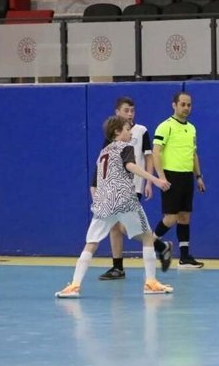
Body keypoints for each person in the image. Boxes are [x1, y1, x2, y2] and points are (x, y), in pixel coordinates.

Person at [56, 116, 175, 299]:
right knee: (147, 237)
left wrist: (98, 201)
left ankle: (74, 285)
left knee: (91, 243)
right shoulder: (125, 147)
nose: (130, 133)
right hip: (124, 199)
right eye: (127, 129)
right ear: (117, 132)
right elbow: (130, 166)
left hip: (104, 202)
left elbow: (94, 184)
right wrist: (155, 180)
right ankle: (151, 283)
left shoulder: (103, 153)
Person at [96, 96, 162, 281]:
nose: (130, 114)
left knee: (124, 226)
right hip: (114, 188)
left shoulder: (141, 131)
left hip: (133, 186)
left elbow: (148, 157)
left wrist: (149, 182)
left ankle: (157, 246)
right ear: (117, 112)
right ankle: (118, 266)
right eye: (126, 110)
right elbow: (104, 162)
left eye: (132, 111)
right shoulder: (113, 135)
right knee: (115, 226)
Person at [152, 92, 206, 269]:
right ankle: (151, 243)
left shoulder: (192, 128)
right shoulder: (165, 126)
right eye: (182, 104)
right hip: (171, 176)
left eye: (189, 105)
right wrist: (161, 177)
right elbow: (156, 153)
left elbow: (193, 154)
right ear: (174, 105)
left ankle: (184, 258)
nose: (186, 108)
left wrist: (198, 176)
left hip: (186, 177)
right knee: (171, 217)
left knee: (184, 216)